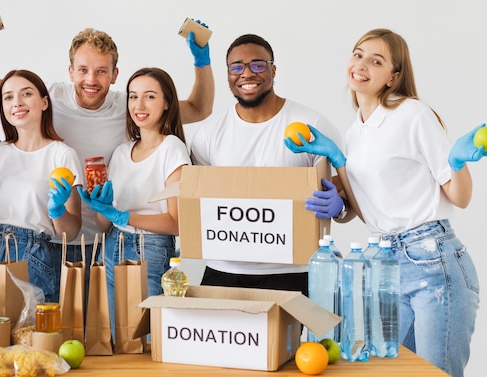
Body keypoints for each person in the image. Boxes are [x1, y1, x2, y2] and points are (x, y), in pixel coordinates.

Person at [0, 9, 214, 300]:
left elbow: (199, 108)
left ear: (114, 75)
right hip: (51, 240)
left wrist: (201, 61)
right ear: (70, 71)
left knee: (104, 333)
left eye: (101, 71)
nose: (91, 79)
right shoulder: (48, 98)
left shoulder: (130, 105)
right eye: (83, 70)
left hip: (104, 240)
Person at [286, 28, 481, 377]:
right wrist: (339, 179)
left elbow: (460, 198)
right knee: (390, 371)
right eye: (358, 54)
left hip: (432, 260)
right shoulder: (353, 132)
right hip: (386, 263)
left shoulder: (413, 115)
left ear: (394, 76)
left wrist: (456, 163)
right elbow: (371, 214)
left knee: (438, 373)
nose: (361, 65)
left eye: (376, 61)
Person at [189, 34, 348, 296]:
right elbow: (199, 202)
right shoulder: (208, 134)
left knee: (296, 340)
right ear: (228, 74)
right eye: (237, 67)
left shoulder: (312, 126)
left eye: (258, 65)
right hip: (224, 270)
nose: (247, 73)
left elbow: (342, 195)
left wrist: (339, 205)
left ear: (273, 70)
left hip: (294, 271)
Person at [79, 67, 190, 333]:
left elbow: (177, 223)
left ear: (167, 104)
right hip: (111, 245)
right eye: (132, 96)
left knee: (145, 337)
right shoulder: (121, 152)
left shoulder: (172, 148)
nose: (139, 105)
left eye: (150, 97)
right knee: (111, 336)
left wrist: (125, 217)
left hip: (150, 249)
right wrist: (102, 208)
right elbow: (104, 225)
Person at [0, 69, 82, 302]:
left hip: (31, 256)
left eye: (26, 94)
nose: (17, 103)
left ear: (44, 102)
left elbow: (71, 232)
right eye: (8, 97)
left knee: (27, 335)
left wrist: (57, 210)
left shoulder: (62, 155)